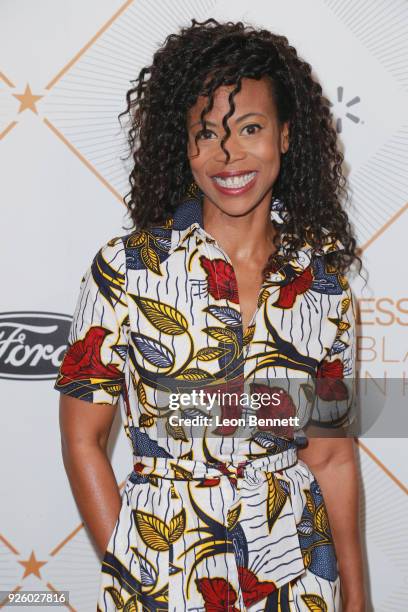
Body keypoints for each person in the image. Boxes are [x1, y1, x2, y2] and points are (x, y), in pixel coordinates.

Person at [54, 18, 366, 612]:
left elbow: (329, 453)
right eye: (206, 134)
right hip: (163, 567)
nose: (229, 154)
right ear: (185, 147)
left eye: (250, 127)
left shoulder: (323, 285)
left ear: (286, 136)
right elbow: (82, 439)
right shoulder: (125, 270)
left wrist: (356, 595)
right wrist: (132, 565)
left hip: (298, 570)